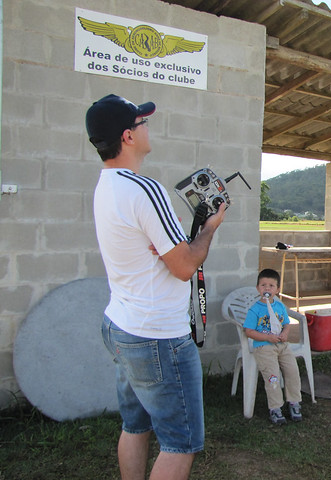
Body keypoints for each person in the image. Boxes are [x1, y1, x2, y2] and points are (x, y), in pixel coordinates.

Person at [87, 94, 226, 480]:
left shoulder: (107, 186)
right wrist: (210, 227)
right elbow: (183, 266)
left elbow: (156, 250)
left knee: (135, 425)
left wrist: (178, 240)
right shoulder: (147, 189)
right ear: (128, 137)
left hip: (121, 325)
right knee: (181, 444)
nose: (149, 127)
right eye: (143, 122)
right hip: (158, 336)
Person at [243, 268, 303, 424]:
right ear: (258, 288)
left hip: (282, 345)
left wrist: (285, 333)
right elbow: (248, 331)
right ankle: (275, 408)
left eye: (271, 285)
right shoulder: (255, 309)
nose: (267, 288)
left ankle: (294, 402)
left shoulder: (279, 306)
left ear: (277, 289)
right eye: (263, 285)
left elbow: (286, 324)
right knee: (273, 376)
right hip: (264, 347)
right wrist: (266, 337)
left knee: (292, 371)